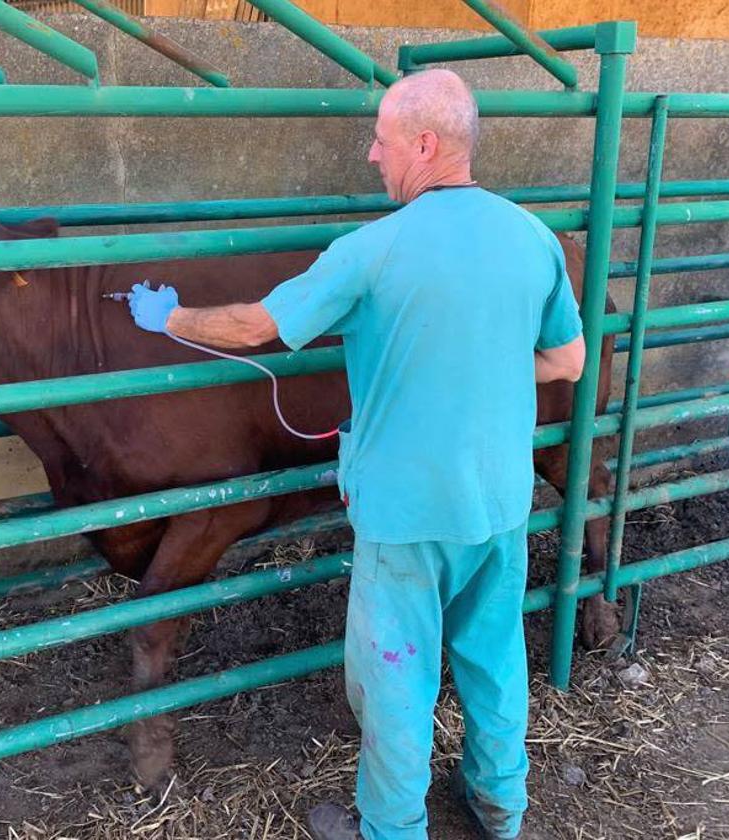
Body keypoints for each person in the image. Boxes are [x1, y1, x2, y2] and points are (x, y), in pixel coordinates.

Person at [122, 69, 585, 840]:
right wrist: (487, 362)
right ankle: (501, 807)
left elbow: (255, 328)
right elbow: (566, 362)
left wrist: (171, 317)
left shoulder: (372, 249)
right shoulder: (533, 238)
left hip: (406, 516)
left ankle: (392, 827)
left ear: (426, 145)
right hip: (500, 504)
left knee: (395, 683)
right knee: (494, 663)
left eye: (381, 139)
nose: (373, 155)